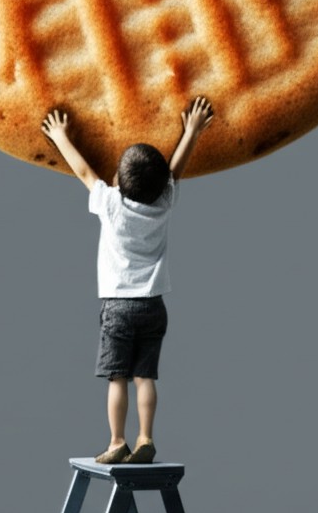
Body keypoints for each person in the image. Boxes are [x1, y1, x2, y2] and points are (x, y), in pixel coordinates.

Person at [42, 96, 214, 464]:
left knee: (117, 378)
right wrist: (192, 131)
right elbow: (176, 168)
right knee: (144, 377)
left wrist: (60, 137)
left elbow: (85, 172)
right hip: (154, 305)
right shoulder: (164, 201)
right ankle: (146, 438)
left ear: (119, 180)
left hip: (118, 306)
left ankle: (117, 440)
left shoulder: (111, 204)